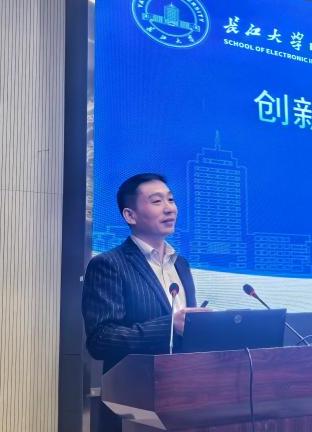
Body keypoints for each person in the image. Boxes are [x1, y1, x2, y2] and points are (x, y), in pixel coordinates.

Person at [81, 173, 207, 431]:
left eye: (171, 199)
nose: (169, 208)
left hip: (186, 396)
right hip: (134, 405)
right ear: (130, 215)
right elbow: (101, 340)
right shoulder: (109, 264)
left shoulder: (181, 264)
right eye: (157, 201)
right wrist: (170, 326)